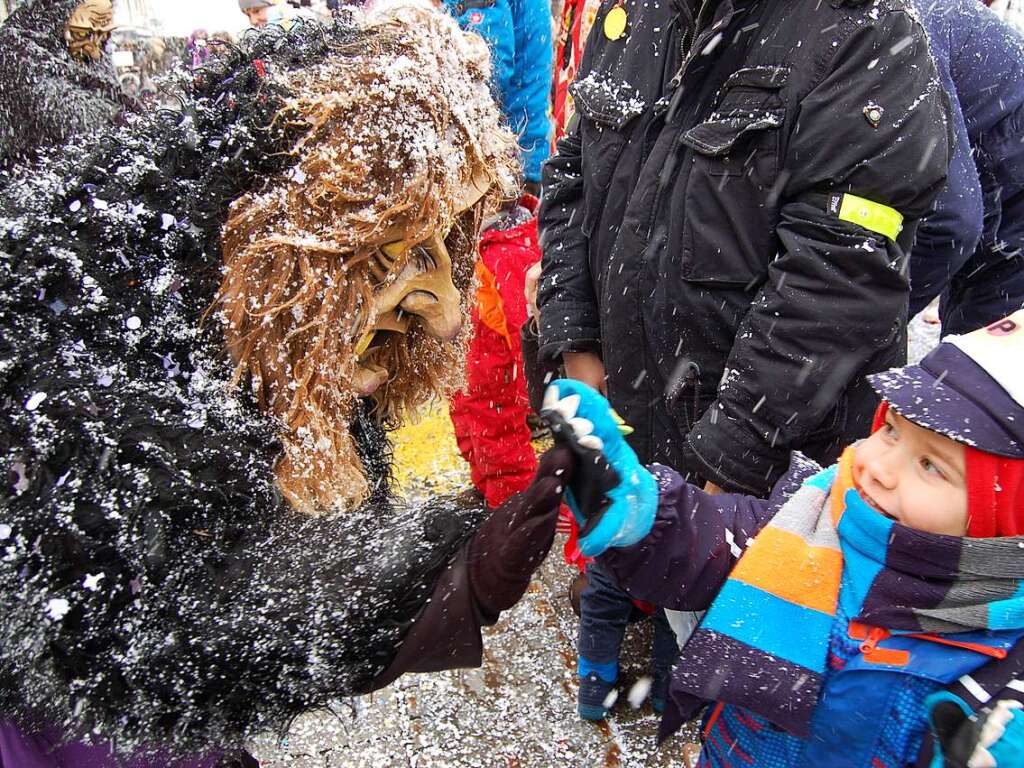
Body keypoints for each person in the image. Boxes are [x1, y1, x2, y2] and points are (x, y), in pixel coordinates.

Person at [0, 7, 575, 765]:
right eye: (396, 253)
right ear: (282, 236)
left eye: (452, 241)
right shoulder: (80, 360)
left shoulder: (249, 319)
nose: (443, 317)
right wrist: (427, 583)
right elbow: (152, 631)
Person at [542, 310, 1024, 767]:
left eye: (929, 465)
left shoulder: (1002, 655)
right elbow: (711, 540)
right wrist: (642, 514)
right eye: (892, 431)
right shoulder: (816, 518)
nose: (877, 467)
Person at [445, 0, 554, 507]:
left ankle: (525, 508)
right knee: (494, 370)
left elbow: (481, 65)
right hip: (502, 186)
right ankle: (510, 502)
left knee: (503, 373)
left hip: (495, 187)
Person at [909, 0, 1024, 335]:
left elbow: (950, 225)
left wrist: (872, 318)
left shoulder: (902, 35)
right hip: (994, 177)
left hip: (1009, 206)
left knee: (976, 371)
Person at [0, 0, 126, 171]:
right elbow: (58, 109)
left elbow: (108, 89)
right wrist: (114, 115)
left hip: (85, 167)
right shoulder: (16, 45)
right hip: (30, 174)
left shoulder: (90, 35)